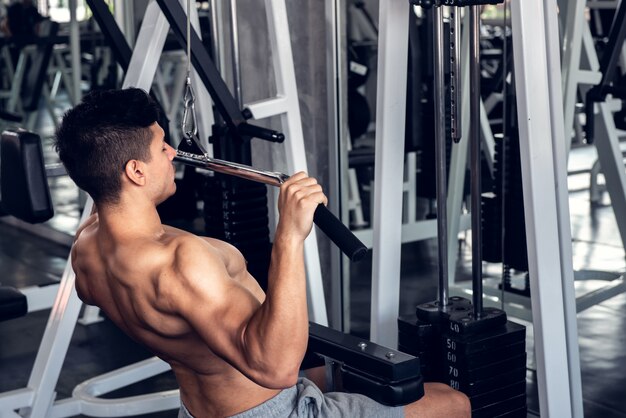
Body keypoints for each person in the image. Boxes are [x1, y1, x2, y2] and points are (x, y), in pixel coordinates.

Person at [55, 88, 471, 418]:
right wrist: (290, 234)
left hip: (200, 408)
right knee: (453, 405)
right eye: (162, 146)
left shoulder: (88, 249)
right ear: (135, 171)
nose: (172, 153)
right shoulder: (179, 260)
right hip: (271, 410)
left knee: (322, 373)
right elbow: (276, 370)